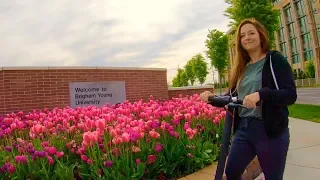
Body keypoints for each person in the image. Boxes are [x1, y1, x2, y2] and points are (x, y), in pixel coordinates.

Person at [200, 18, 297, 180]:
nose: (247, 38)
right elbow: (231, 98)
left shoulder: (274, 60)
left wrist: (261, 94)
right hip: (243, 130)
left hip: (269, 131)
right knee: (231, 173)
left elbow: (290, 94)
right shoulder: (242, 68)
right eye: (242, 35)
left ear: (261, 36)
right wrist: (210, 98)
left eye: (251, 33)